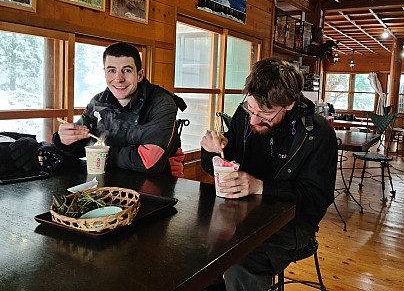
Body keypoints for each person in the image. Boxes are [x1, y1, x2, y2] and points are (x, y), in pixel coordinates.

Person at [200, 58, 337, 291]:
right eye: (250, 109)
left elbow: (316, 199)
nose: (253, 120)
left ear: (290, 104)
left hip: (293, 224)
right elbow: (223, 163)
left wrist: (259, 186)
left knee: (241, 265)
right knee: (200, 253)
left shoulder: (318, 134)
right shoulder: (245, 118)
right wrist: (210, 151)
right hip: (240, 215)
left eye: (265, 113)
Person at [52, 42, 187, 177]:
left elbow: (149, 162)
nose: (118, 79)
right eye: (112, 70)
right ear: (105, 73)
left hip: (159, 184)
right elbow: (78, 146)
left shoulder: (162, 103)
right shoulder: (98, 102)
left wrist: (99, 152)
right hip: (109, 180)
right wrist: (64, 141)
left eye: (127, 70)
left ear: (140, 75)